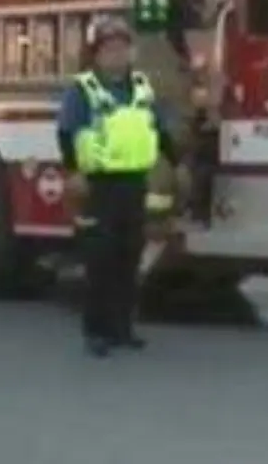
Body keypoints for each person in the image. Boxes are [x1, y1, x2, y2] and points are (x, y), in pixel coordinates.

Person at [57, 18, 181, 357]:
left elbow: (159, 128)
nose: (116, 55)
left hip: (133, 182)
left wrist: (177, 162)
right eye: (109, 50)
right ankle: (95, 332)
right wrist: (73, 172)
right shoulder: (82, 90)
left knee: (129, 258)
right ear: (96, 55)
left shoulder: (140, 86)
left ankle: (123, 328)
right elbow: (67, 132)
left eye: (122, 49)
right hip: (99, 185)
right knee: (101, 260)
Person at [125, 0, 204, 214]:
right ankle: (173, 214)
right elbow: (198, 48)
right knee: (181, 157)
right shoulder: (178, 3)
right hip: (172, 93)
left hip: (136, 95)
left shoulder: (129, 3)